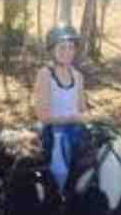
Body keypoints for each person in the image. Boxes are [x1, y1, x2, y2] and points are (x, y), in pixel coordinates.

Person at [34, 24, 88, 193]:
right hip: (54, 132)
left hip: (76, 129)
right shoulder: (45, 74)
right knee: (61, 169)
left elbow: (82, 109)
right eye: (62, 47)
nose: (68, 51)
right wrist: (72, 118)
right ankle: (59, 196)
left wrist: (92, 118)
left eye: (71, 47)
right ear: (52, 50)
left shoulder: (78, 76)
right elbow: (43, 116)